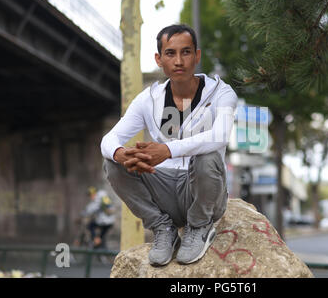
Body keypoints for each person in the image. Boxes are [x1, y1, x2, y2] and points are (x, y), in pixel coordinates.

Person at [101, 24, 238, 266]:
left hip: (202, 194)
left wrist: (167, 150)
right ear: (159, 59)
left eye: (186, 52)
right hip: (163, 190)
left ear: (197, 56)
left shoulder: (221, 93)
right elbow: (108, 140)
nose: (178, 61)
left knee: (206, 156)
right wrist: (122, 155)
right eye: (170, 53)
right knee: (112, 163)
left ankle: (199, 227)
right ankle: (163, 229)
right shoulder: (147, 99)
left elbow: (219, 137)